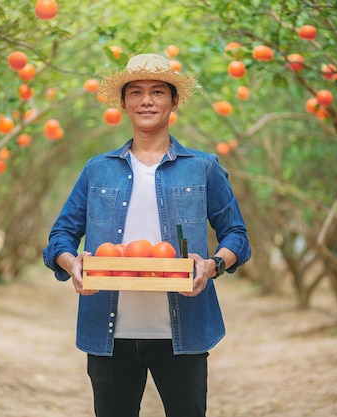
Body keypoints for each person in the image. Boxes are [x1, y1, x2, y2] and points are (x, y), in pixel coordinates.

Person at [42, 53, 251, 417]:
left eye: (157, 92)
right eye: (135, 92)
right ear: (123, 103)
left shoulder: (203, 168)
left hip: (183, 332)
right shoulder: (97, 171)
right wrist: (72, 262)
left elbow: (237, 235)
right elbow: (60, 236)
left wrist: (213, 265)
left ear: (174, 101)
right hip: (109, 333)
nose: (147, 101)